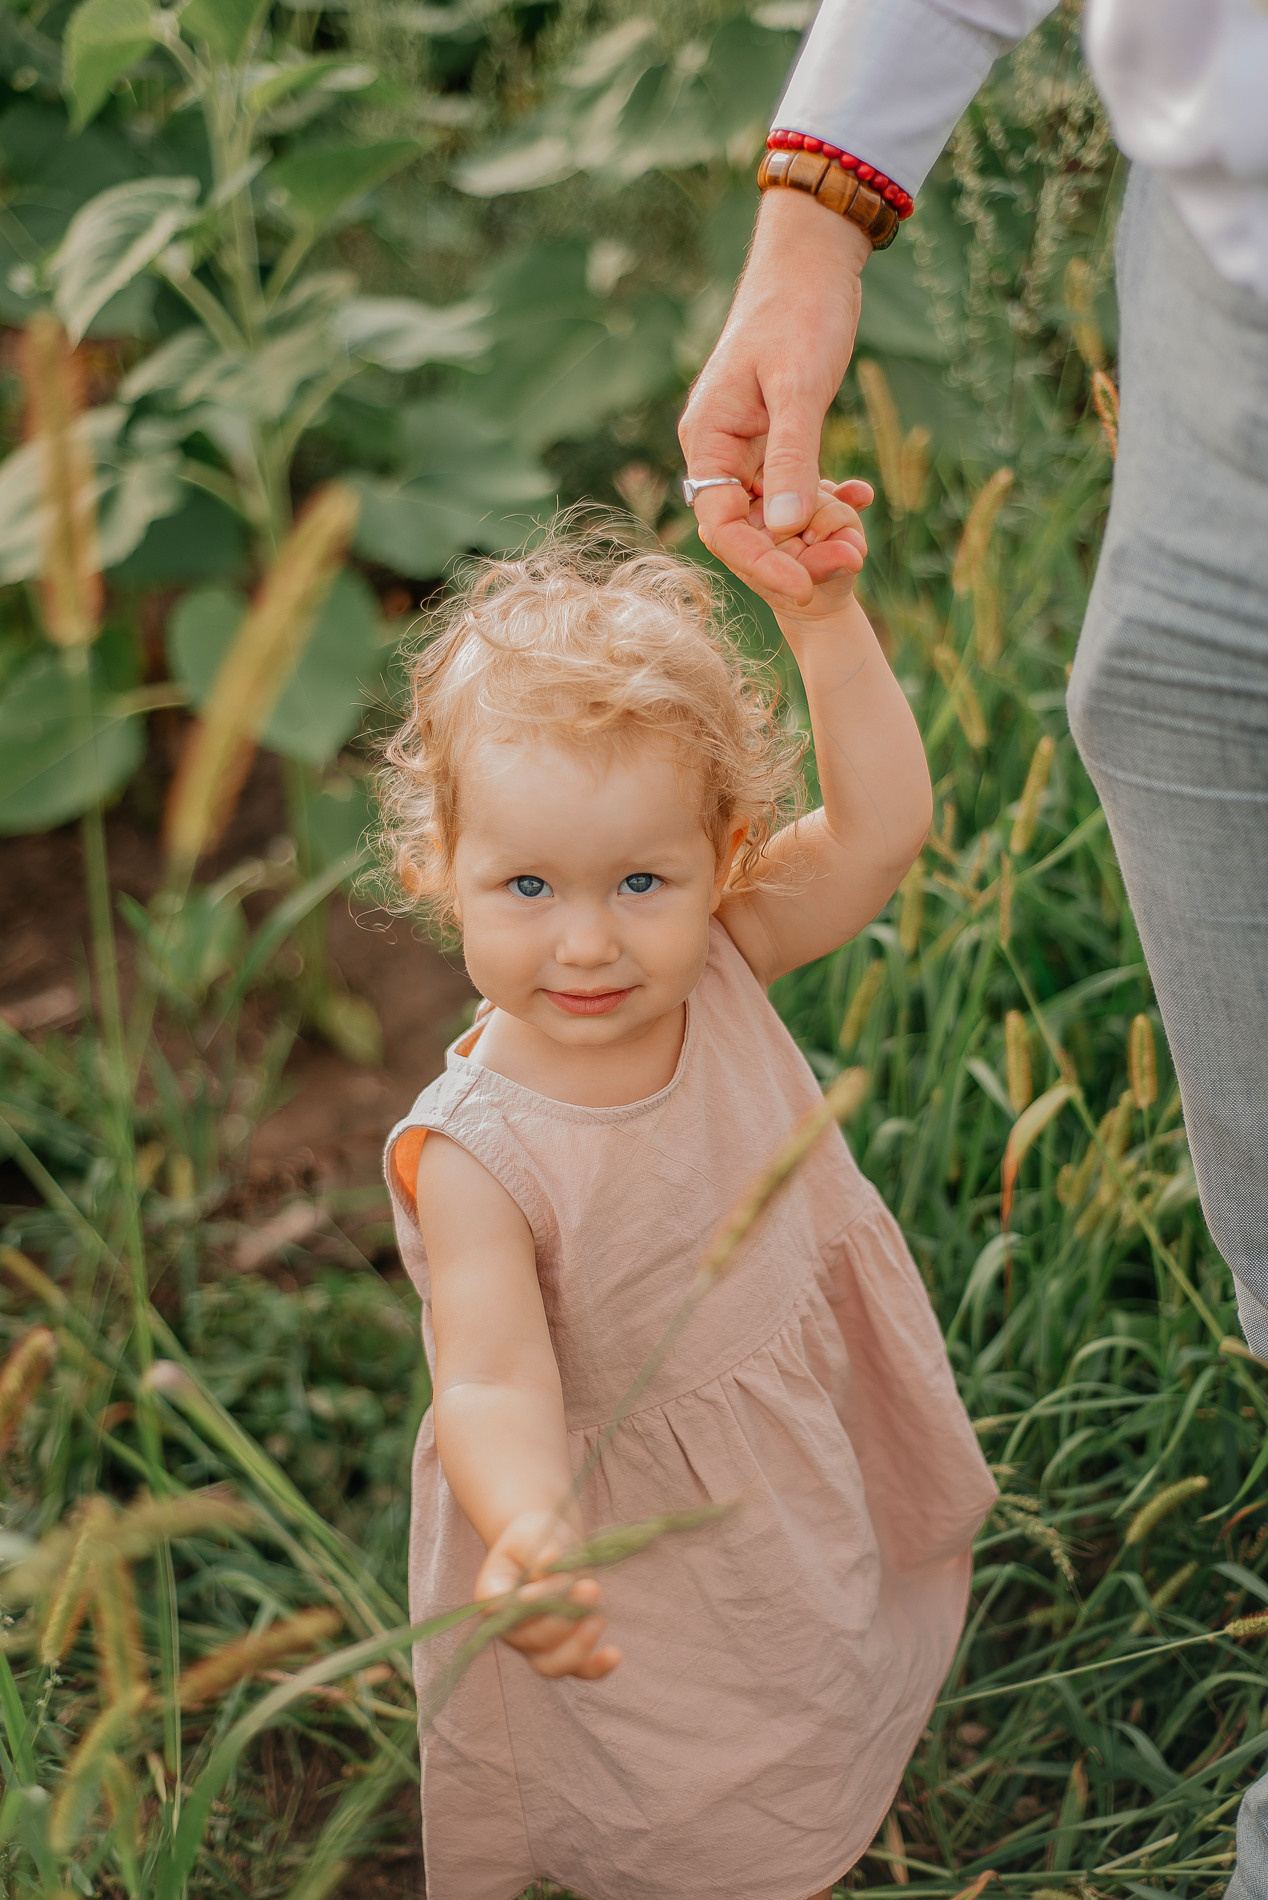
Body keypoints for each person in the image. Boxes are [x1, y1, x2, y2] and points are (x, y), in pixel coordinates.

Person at [678, 0, 1268, 1889]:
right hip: (1227, 278)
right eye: (525, 889)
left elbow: (868, 844)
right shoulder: (483, 1121)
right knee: (1178, 715)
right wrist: (813, 221)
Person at [381, 513, 997, 1900]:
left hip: (780, 1443)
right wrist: (530, 1528)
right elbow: (485, 1377)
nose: (588, 939)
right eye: (526, 886)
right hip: (617, 1529)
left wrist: (828, 628)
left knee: (807, 1666)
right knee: (679, 1778)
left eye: (638, 881)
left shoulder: (720, 951)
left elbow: (885, 827)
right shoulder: (478, 1150)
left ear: (723, 859)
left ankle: (814, 1812)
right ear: (440, 870)